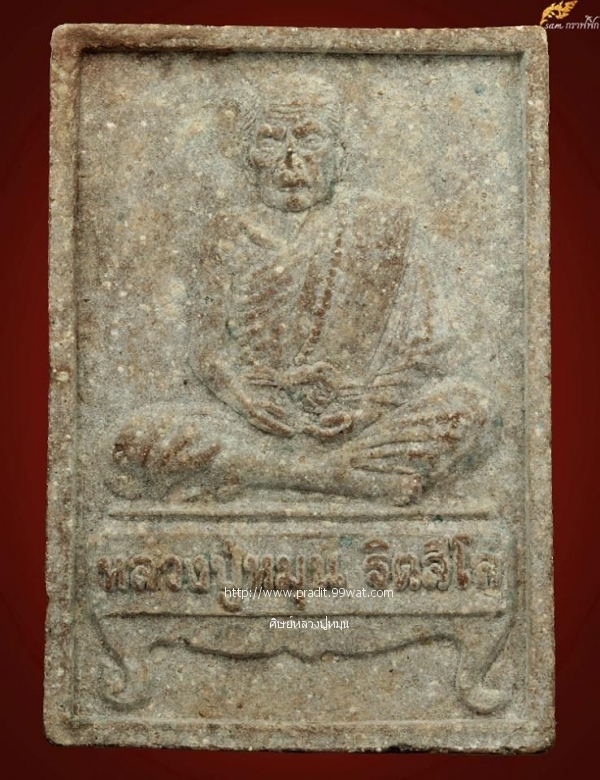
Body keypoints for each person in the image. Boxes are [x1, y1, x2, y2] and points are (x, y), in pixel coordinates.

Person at [107, 75, 494, 504]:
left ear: (340, 156)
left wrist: (365, 408)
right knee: (136, 437)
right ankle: (332, 477)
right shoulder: (228, 232)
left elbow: (430, 348)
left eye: (310, 140)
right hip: (257, 421)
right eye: (272, 141)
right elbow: (209, 353)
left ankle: (271, 474)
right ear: (249, 158)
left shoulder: (386, 225)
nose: (291, 161)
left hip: (359, 420)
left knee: (469, 407)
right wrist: (248, 401)